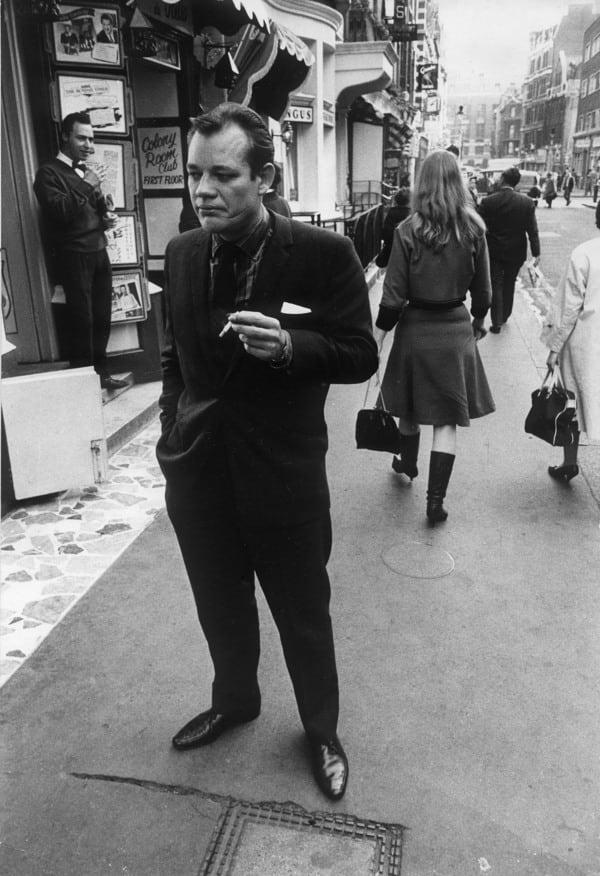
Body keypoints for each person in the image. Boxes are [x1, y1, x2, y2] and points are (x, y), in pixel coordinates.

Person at [155, 103, 378, 801]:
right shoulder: (185, 250)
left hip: (283, 475)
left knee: (302, 611)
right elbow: (175, 358)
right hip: (200, 473)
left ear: (266, 177)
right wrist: (172, 430)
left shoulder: (322, 254)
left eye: (224, 174)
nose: (204, 190)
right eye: (196, 174)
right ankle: (235, 699)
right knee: (219, 602)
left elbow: (358, 354)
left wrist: (289, 347)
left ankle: (320, 729)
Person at [374, 150, 495, 524]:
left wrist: (376, 338)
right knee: (446, 419)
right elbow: (485, 293)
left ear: (421, 184)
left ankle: (407, 464)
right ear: (459, 183)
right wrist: (476, 323)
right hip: (455, 329)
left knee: (410, 405)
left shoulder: (406, 230)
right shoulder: (474, 229)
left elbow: (392, 296)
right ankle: (434, 502)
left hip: (415, 331)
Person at [34, 113, 127, 389]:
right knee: (82, 321)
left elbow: (96, 210)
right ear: (65, 136)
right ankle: (84, 384)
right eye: (82, 138)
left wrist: (107, 218)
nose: (89, 145)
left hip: (99, 251)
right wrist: (88, 182)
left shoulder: (84, 171)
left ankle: (102, 375)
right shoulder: (48, 173)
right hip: (74, 256)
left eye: (91, 139)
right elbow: (61, 212)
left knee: (102, 317)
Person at [542, 201, 600, 481]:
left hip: (586, 345)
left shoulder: (585, 253)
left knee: (573, 404)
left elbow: (568, 306)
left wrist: (554, 347)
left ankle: (569, 463)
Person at [478, 166, 540, 333]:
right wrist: (536, 253)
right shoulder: (526, 202)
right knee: (509, 283)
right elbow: (532, 230)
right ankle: (505, 315)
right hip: (516, 251)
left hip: (494, 251)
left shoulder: (488, 201)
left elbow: (479, 228)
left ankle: (496, 321)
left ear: (503, 179)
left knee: (496, 284)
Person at [375, 186, 411, 268]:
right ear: (410, 201)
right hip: (406, 250)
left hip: (392, 249)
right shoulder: (411, 214)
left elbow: (386, 232)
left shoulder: (392, 212)